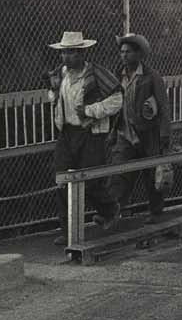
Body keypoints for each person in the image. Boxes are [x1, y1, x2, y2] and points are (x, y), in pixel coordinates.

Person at [45, 30, 124, 243]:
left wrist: (91, 111)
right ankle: (68, 232)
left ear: (81, 53)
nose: (66, 57)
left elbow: (117, 99)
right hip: (67, 133)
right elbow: (54, 96)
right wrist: (53, 95)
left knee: (90, 181)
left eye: (71, 52)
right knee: (62, 180)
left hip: (90, 133)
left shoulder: (96, 73)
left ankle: (109, 210)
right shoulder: (61, 74)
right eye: (64, 53)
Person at [107, 33, 172, 224]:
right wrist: (112, 130)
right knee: (119, 171)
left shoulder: (151, 77)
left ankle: (156, 211)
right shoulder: (118, 76)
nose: (124, 56)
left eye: (128, 52)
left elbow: (163, 106)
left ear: (139, 54)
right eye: (122, 52)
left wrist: (164, 133)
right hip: (125, 132)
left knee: (151, 173)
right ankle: (111, 212)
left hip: (148, 132)